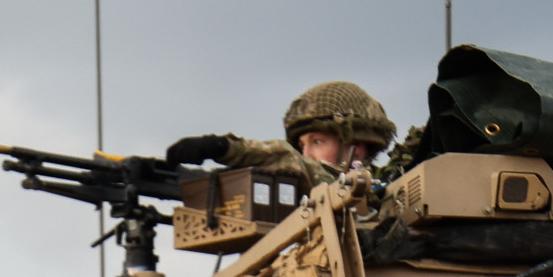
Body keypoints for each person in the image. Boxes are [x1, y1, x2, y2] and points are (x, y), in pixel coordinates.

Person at [163, 79, 398, 179]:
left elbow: (291, 161)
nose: (306, 154)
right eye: (302, 145)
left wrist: (223, 148)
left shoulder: (374, 193)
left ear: (355, 147)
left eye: (317, 142)